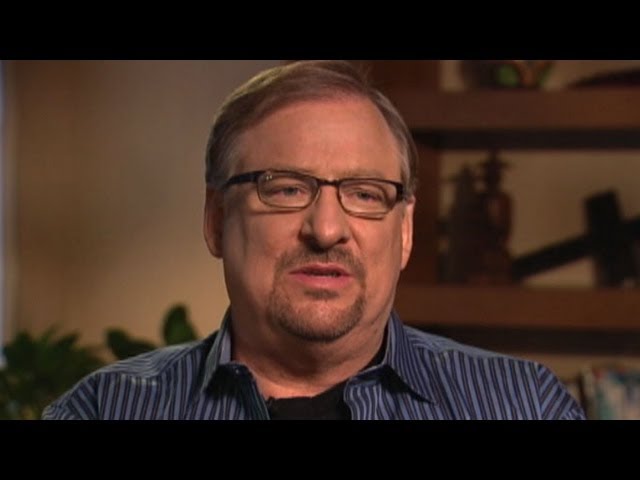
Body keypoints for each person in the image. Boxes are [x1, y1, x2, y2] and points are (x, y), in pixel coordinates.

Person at [42, 60, 585, 420]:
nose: (326, 230)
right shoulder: (103, 407)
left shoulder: (524, 404)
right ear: (216, 219)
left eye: (366, 194)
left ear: (404, 232)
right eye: (286, 189)